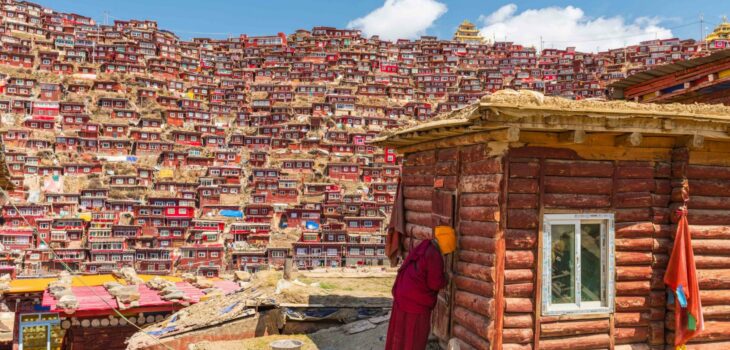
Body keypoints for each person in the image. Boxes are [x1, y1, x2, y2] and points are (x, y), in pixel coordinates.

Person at [385, 226, 456, 350]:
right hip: (415, 302)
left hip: (402, 293)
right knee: (414, 336)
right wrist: (446, 278)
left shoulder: (425, 245)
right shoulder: (434, 255)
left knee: (400, 333)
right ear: (447, 244)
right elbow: (434, 283)